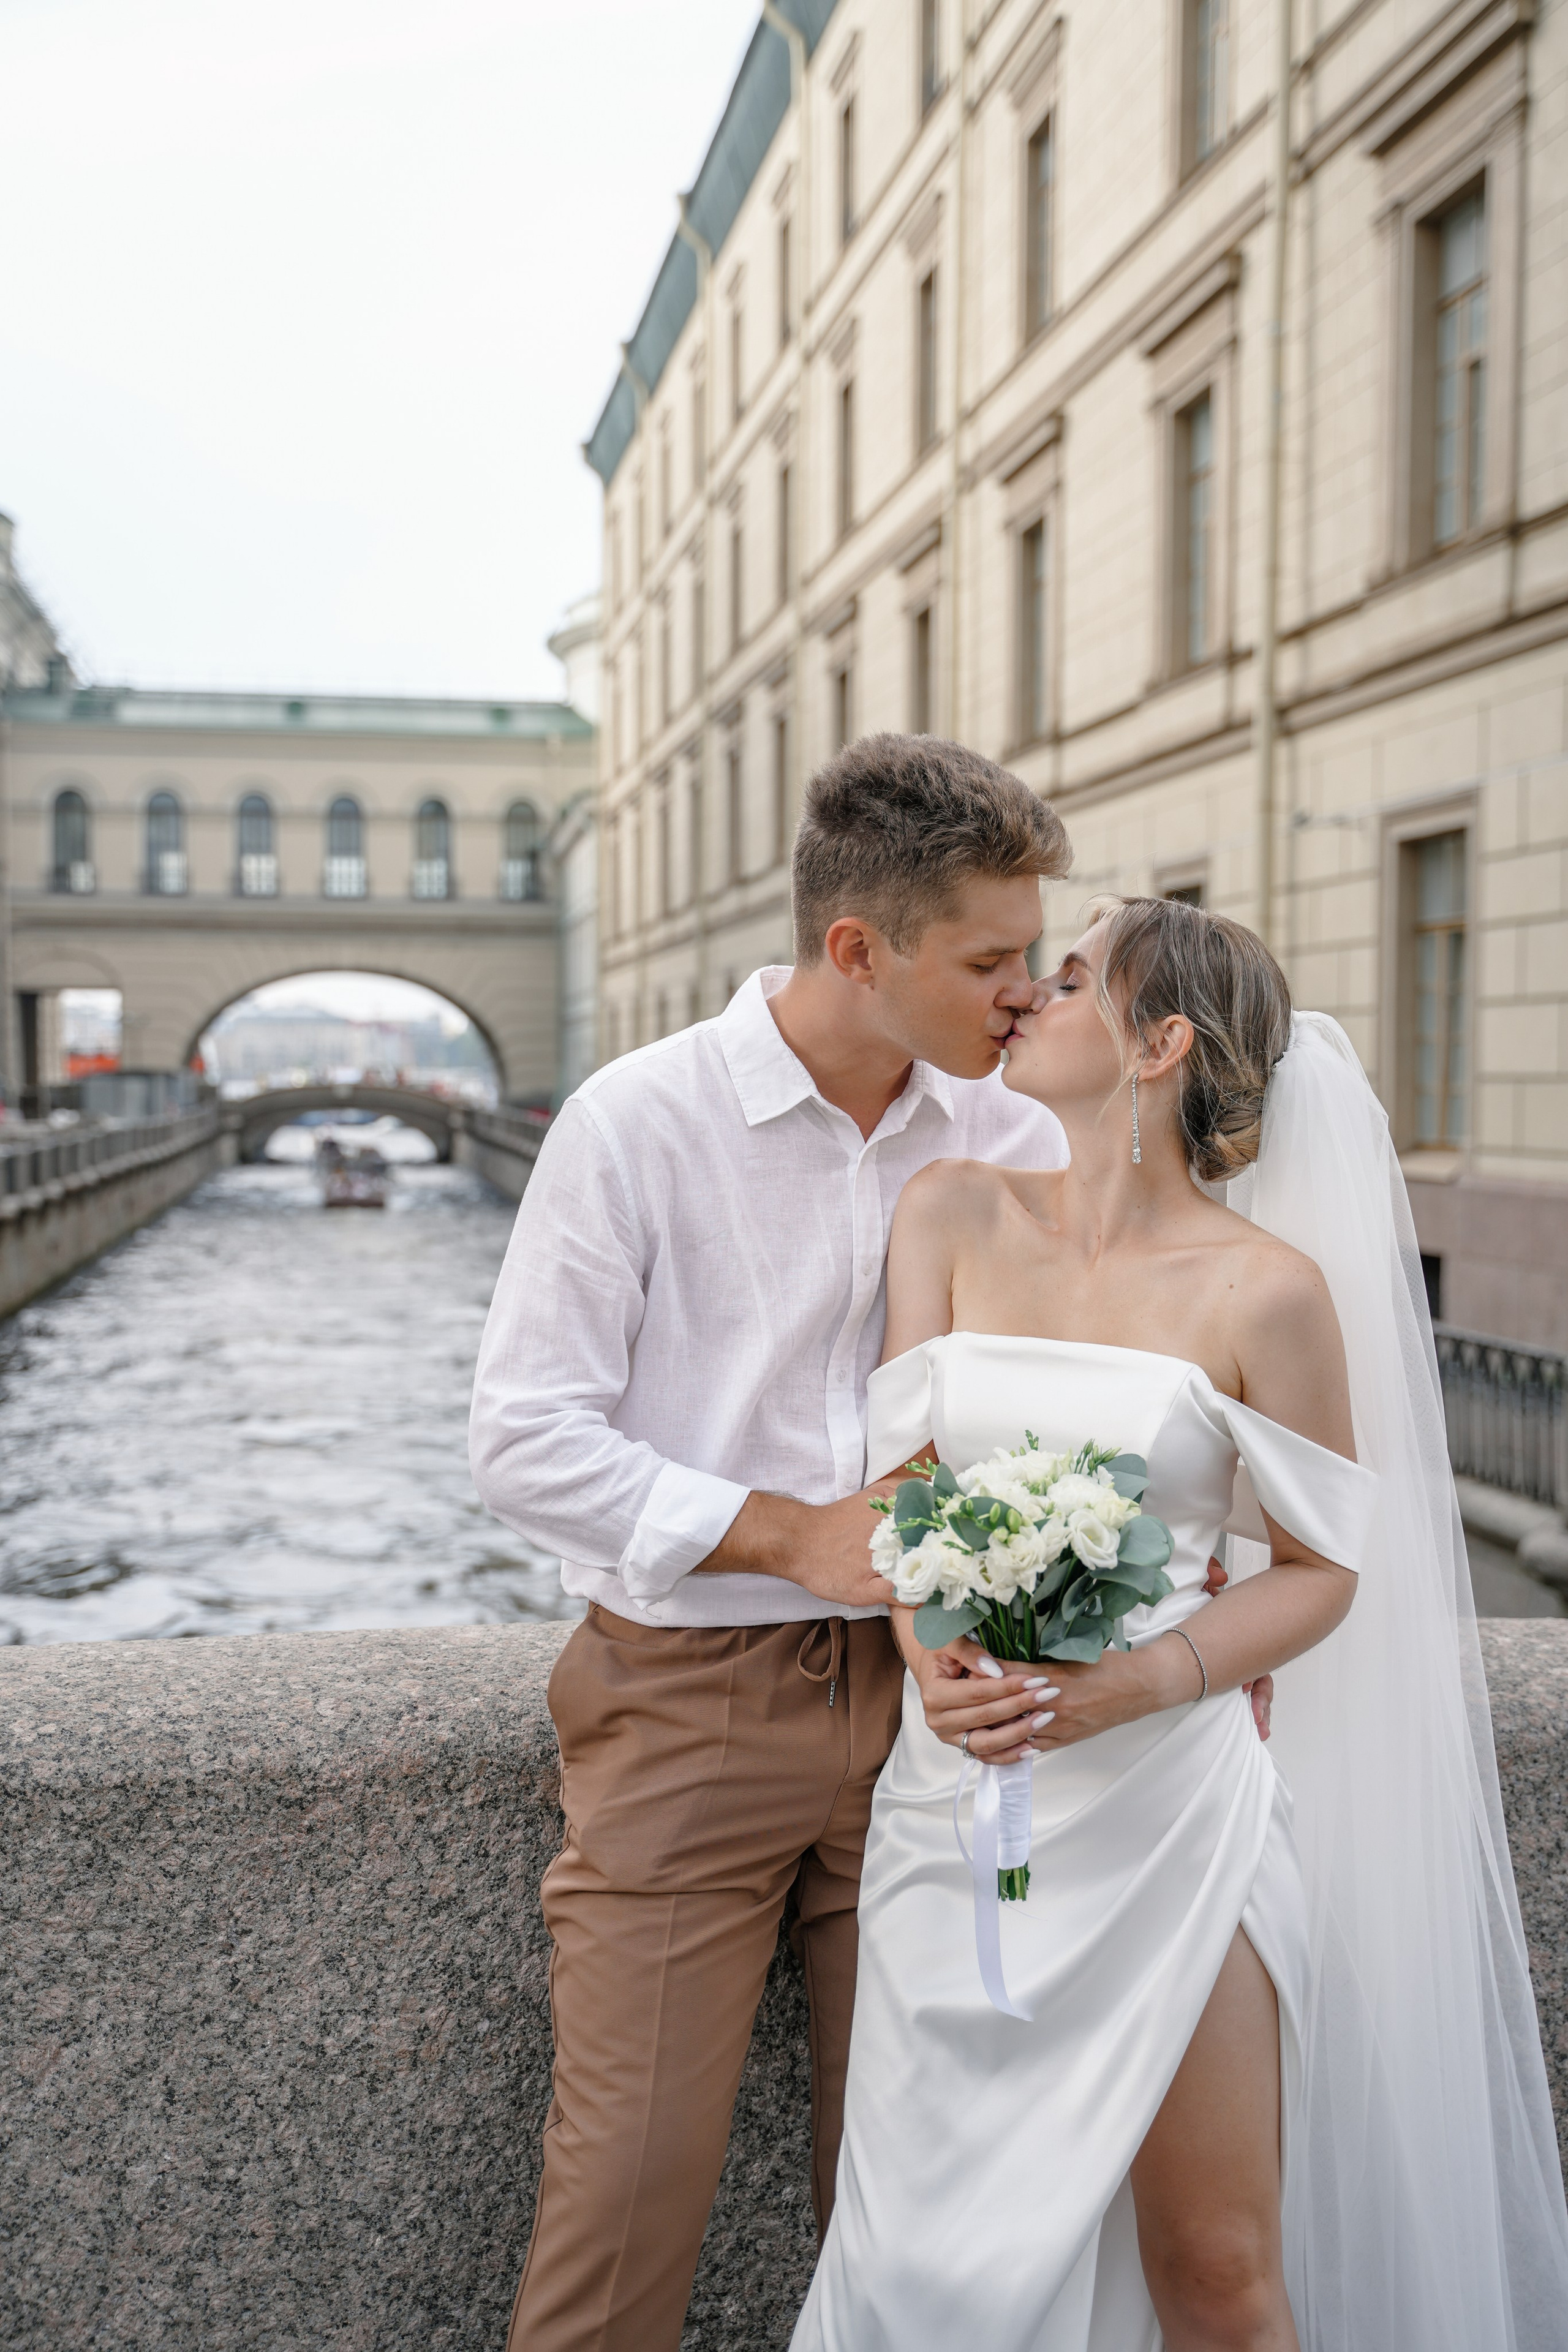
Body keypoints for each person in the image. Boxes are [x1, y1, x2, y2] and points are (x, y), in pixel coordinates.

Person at [791, 896, 1568, 2352]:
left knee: (1213, 2266)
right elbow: (900, 1486)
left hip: (1174, 1809)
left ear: (1156, 1045)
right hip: (962, 1794)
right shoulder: (948, 1210)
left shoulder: (1266, 1293)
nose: (1025, 995)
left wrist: (1130, 1686)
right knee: (924, 2254)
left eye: (1069, 976)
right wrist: (927, 1660)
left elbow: (1323, 1569)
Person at [469, 735, 1080, 2352]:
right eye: (992, 959)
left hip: (949, 1728)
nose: (1027, 991)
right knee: (625, 2220)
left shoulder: (1017, 1139)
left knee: (922, 2217)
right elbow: (521, 1435)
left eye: (1034, 955)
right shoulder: (635, 1121)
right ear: (858, 951)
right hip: (688, 1713)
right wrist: (784, 1533)